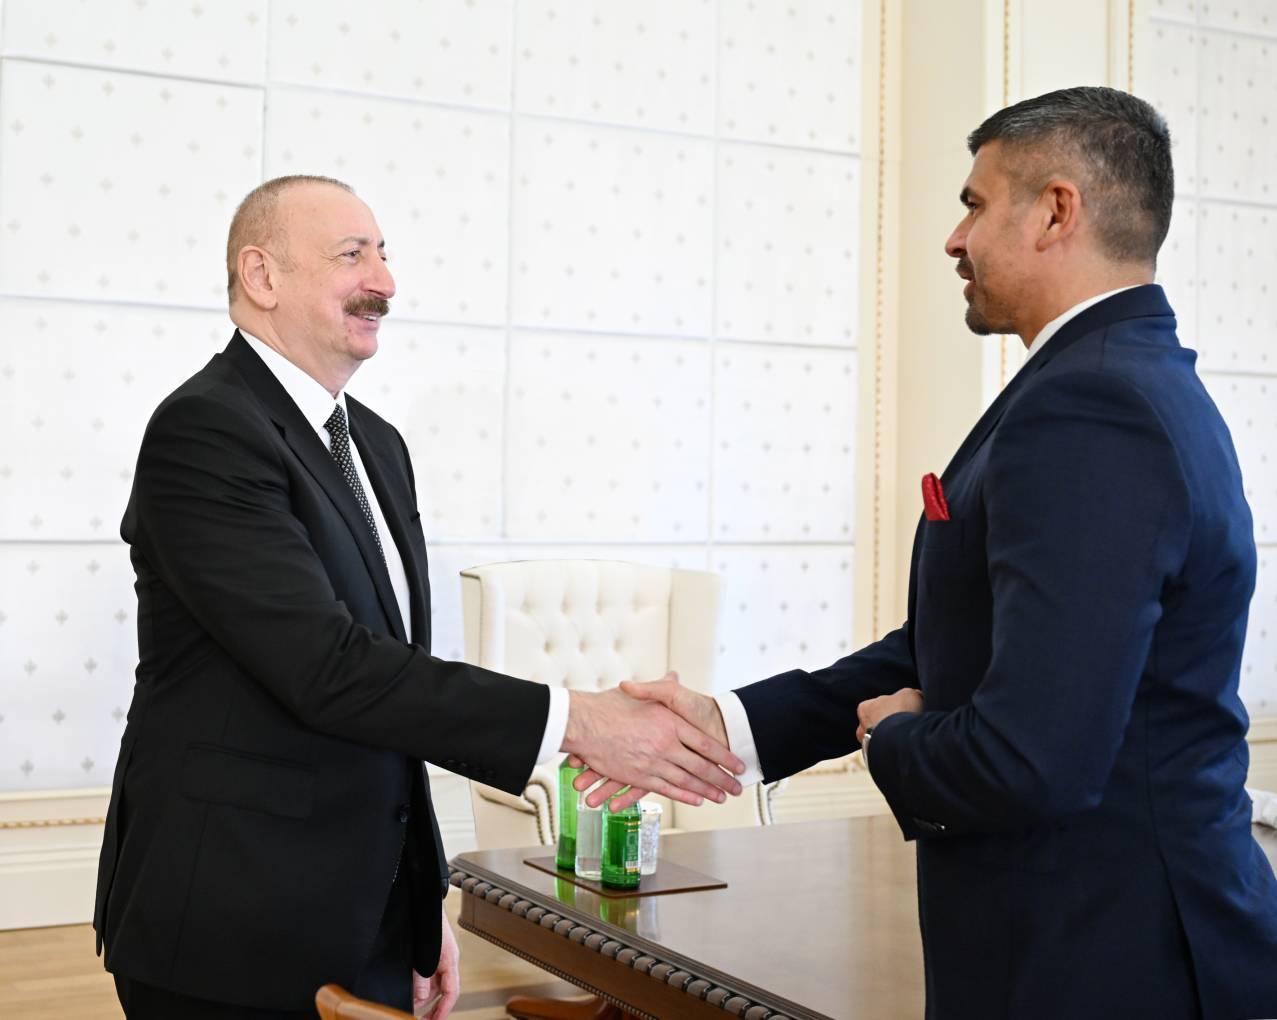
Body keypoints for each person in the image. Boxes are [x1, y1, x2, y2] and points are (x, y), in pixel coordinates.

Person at [589, 87, 1277, 1018]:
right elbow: (957, 646)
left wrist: (893, 738)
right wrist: (732, 726)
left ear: (1056, 211)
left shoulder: (1092, 408)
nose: (954, 239)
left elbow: (1031, 758)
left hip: (1108, 955)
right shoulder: (1113, 380)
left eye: (973, 204)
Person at [93, 174, 744, 1020]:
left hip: (361, 912)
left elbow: (394, 687)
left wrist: (418, 899)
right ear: (261, 276)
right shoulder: (207, 430)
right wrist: (578, 721)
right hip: (229, 921)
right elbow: (329, 669)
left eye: (384, 255)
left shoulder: (376, 443)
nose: (384, 282)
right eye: (351, 255)